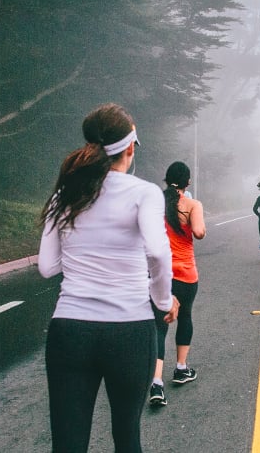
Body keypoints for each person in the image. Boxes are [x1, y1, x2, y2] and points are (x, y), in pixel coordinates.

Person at [38, 102, 179, 452]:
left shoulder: (65, 194)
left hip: (70, 329)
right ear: (130, 148)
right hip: (129, 329)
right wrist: (163, 301)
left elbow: (47, 266)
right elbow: (159, 252)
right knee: (127, 436)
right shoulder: (143, 193)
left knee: (68, 444)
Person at [150, 161, 206, 407]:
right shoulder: (192, 204)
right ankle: (181, 368)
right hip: (185, 274)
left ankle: (156, 383)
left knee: (158, 327)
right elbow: (200, 232)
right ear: (188, 182)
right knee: (185, 317)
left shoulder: (155, 204)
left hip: (160, 274)